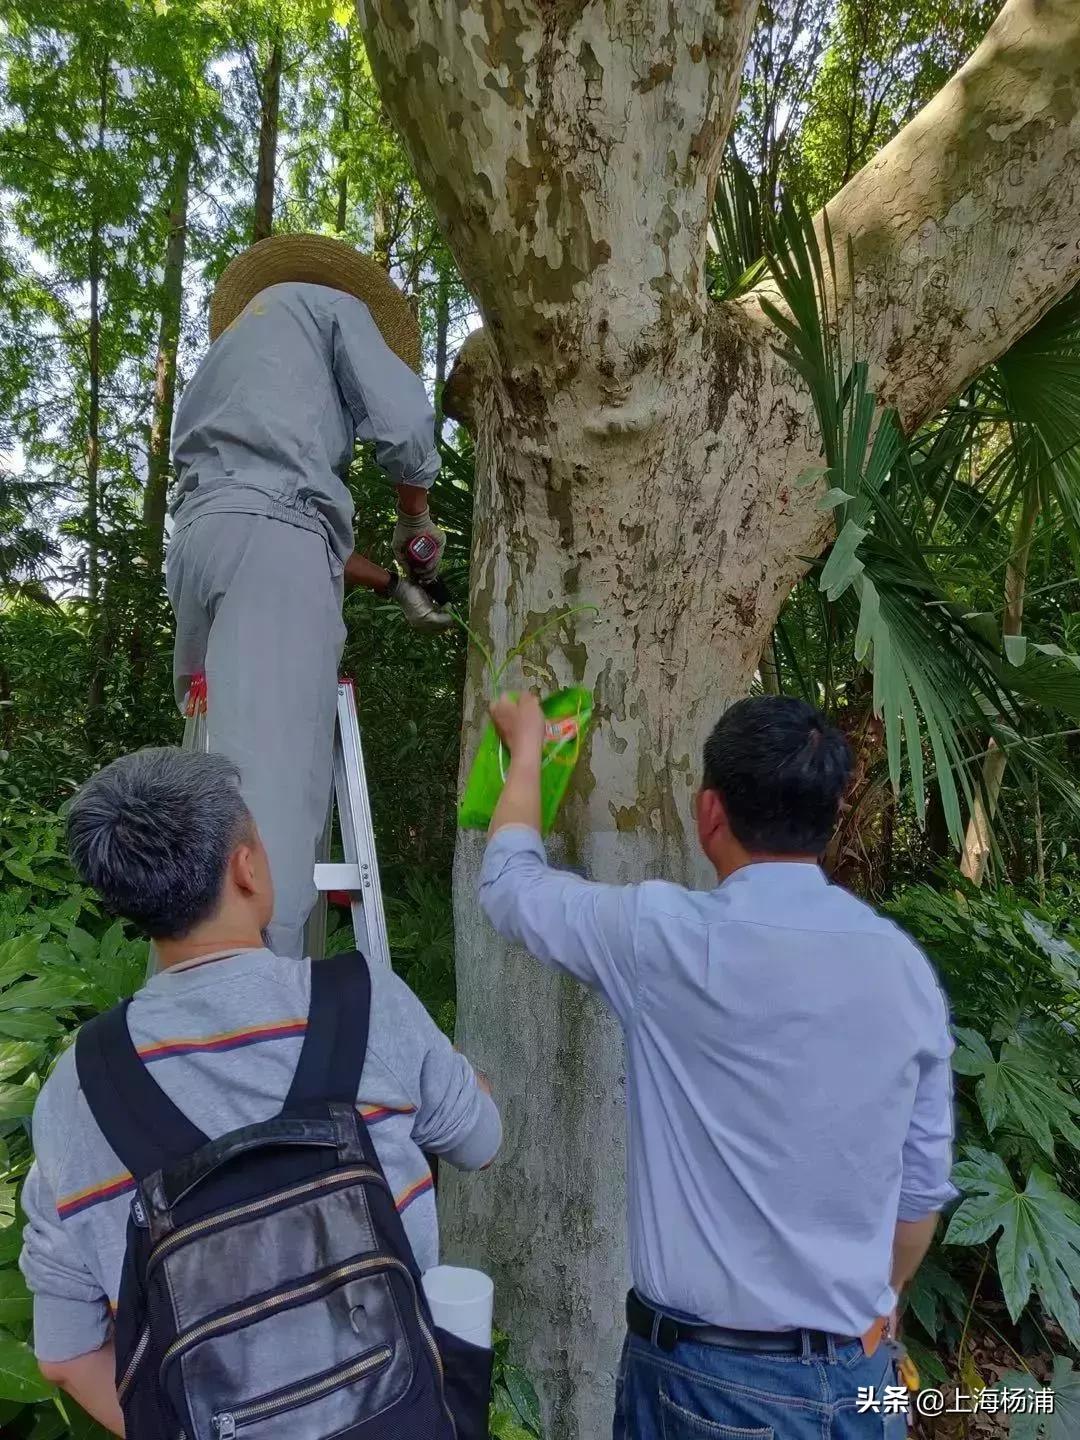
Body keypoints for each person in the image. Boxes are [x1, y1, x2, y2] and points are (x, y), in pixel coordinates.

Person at [479, 693, 956, 1440]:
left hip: (712, 1392)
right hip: (867, 1382)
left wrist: (528, 750)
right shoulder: (904, 971)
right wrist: (883, 1301)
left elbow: (511, 890)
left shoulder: (663, 940)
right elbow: (922, 1190)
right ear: (832, 814)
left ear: (709, 814)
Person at [21, 747, 500, 1434]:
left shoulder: (76, 1094)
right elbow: (481, 1140)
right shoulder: (368, 1006)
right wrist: (452, 1064)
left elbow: (66, 1356)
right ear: (246, 867)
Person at [166, 233, 453, 958]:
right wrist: (415, 521)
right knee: (274, 810)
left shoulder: (236, 351)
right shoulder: (336, 305)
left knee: (209, 787)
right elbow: (403, 425)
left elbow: (276, 521)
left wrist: (392, 584)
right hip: (269, 549)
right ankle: (266, 1024)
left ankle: (187, 995)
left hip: (201, 544)